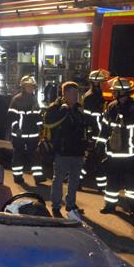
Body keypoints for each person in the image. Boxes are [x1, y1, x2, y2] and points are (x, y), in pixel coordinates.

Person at [97, 77, 134, 218]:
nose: (113, 94)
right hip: (113, 154)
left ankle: (133, 207)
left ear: (123, 93)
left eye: (115, 92)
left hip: (130, 155)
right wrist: (100, 144)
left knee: (131, 183)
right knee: (112, 182)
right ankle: (110, 205)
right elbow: (105, 128)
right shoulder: (111, 107)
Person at [44, 82, 91, 219]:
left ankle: (71, 204)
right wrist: (63, 111)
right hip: (62, 151)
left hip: (77, 151)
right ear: (65, 94)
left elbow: (84, 128)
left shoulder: (78, 109)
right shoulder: (55, 108)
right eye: (73, 94)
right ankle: (56, 206)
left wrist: (85, 147)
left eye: (77, 94)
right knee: (58, 180)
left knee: (74, 180)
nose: (76, 97)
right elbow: (48, 123)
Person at [8, 75, 44, 184]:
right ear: (23, 87)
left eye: (32, 86)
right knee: (18, 155)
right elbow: (11, 116)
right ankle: (18, 177)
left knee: (35, 155)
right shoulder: (17, 99)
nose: (31, 88)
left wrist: (40, 126)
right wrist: (16, 127)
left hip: (32, 134)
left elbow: (37, 115)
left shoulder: (34, 100)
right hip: (19, 134)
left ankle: (38, 177)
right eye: (28, 86)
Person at [81, 68, 110, 191]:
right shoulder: (91, 96)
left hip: (96, 133)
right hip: (95, 134)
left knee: (94, 161)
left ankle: (79, 181)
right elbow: (93, 118)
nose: (103, 84)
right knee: (96, 161)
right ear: (95, 82)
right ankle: (100, 186)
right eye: (101, 82)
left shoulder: (96, 94)